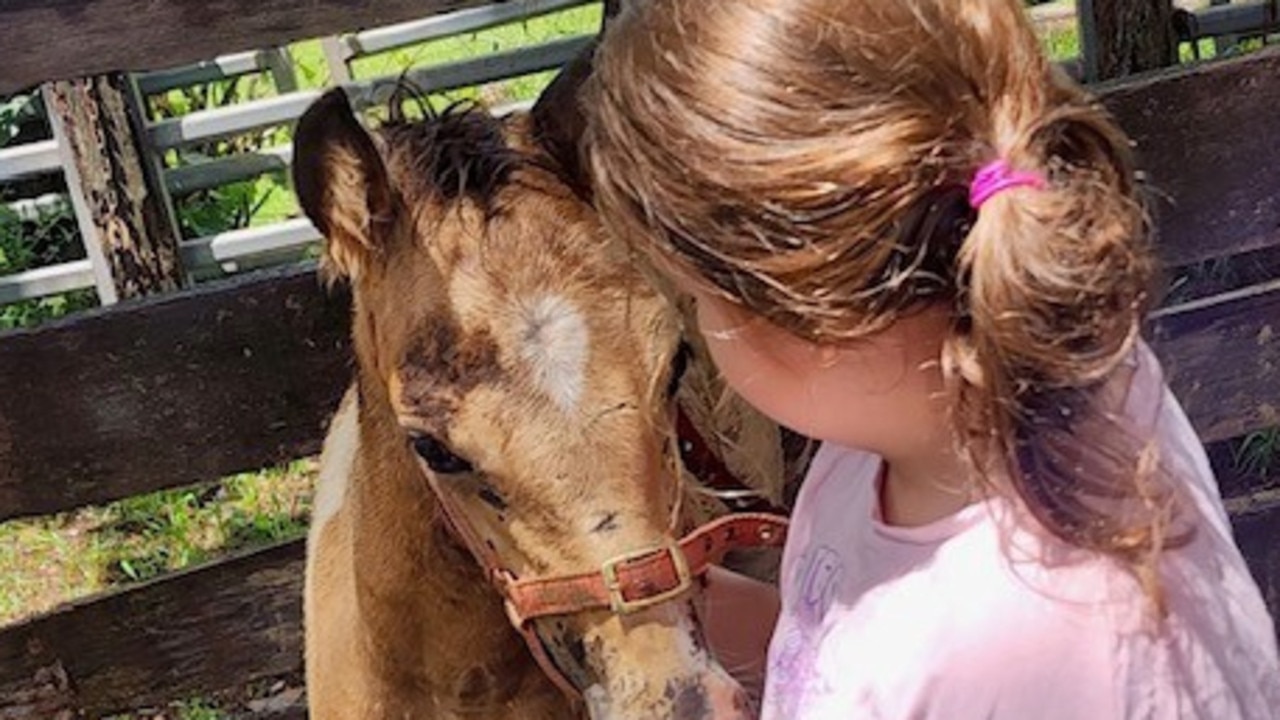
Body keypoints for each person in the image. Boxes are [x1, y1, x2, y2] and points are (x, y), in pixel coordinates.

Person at [583, 0, 1280, 717]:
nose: (699, 323)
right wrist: (666, 610)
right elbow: (835, 654)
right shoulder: (929, 424)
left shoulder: (1046, 644)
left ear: (806, 314)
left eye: (695, 298)